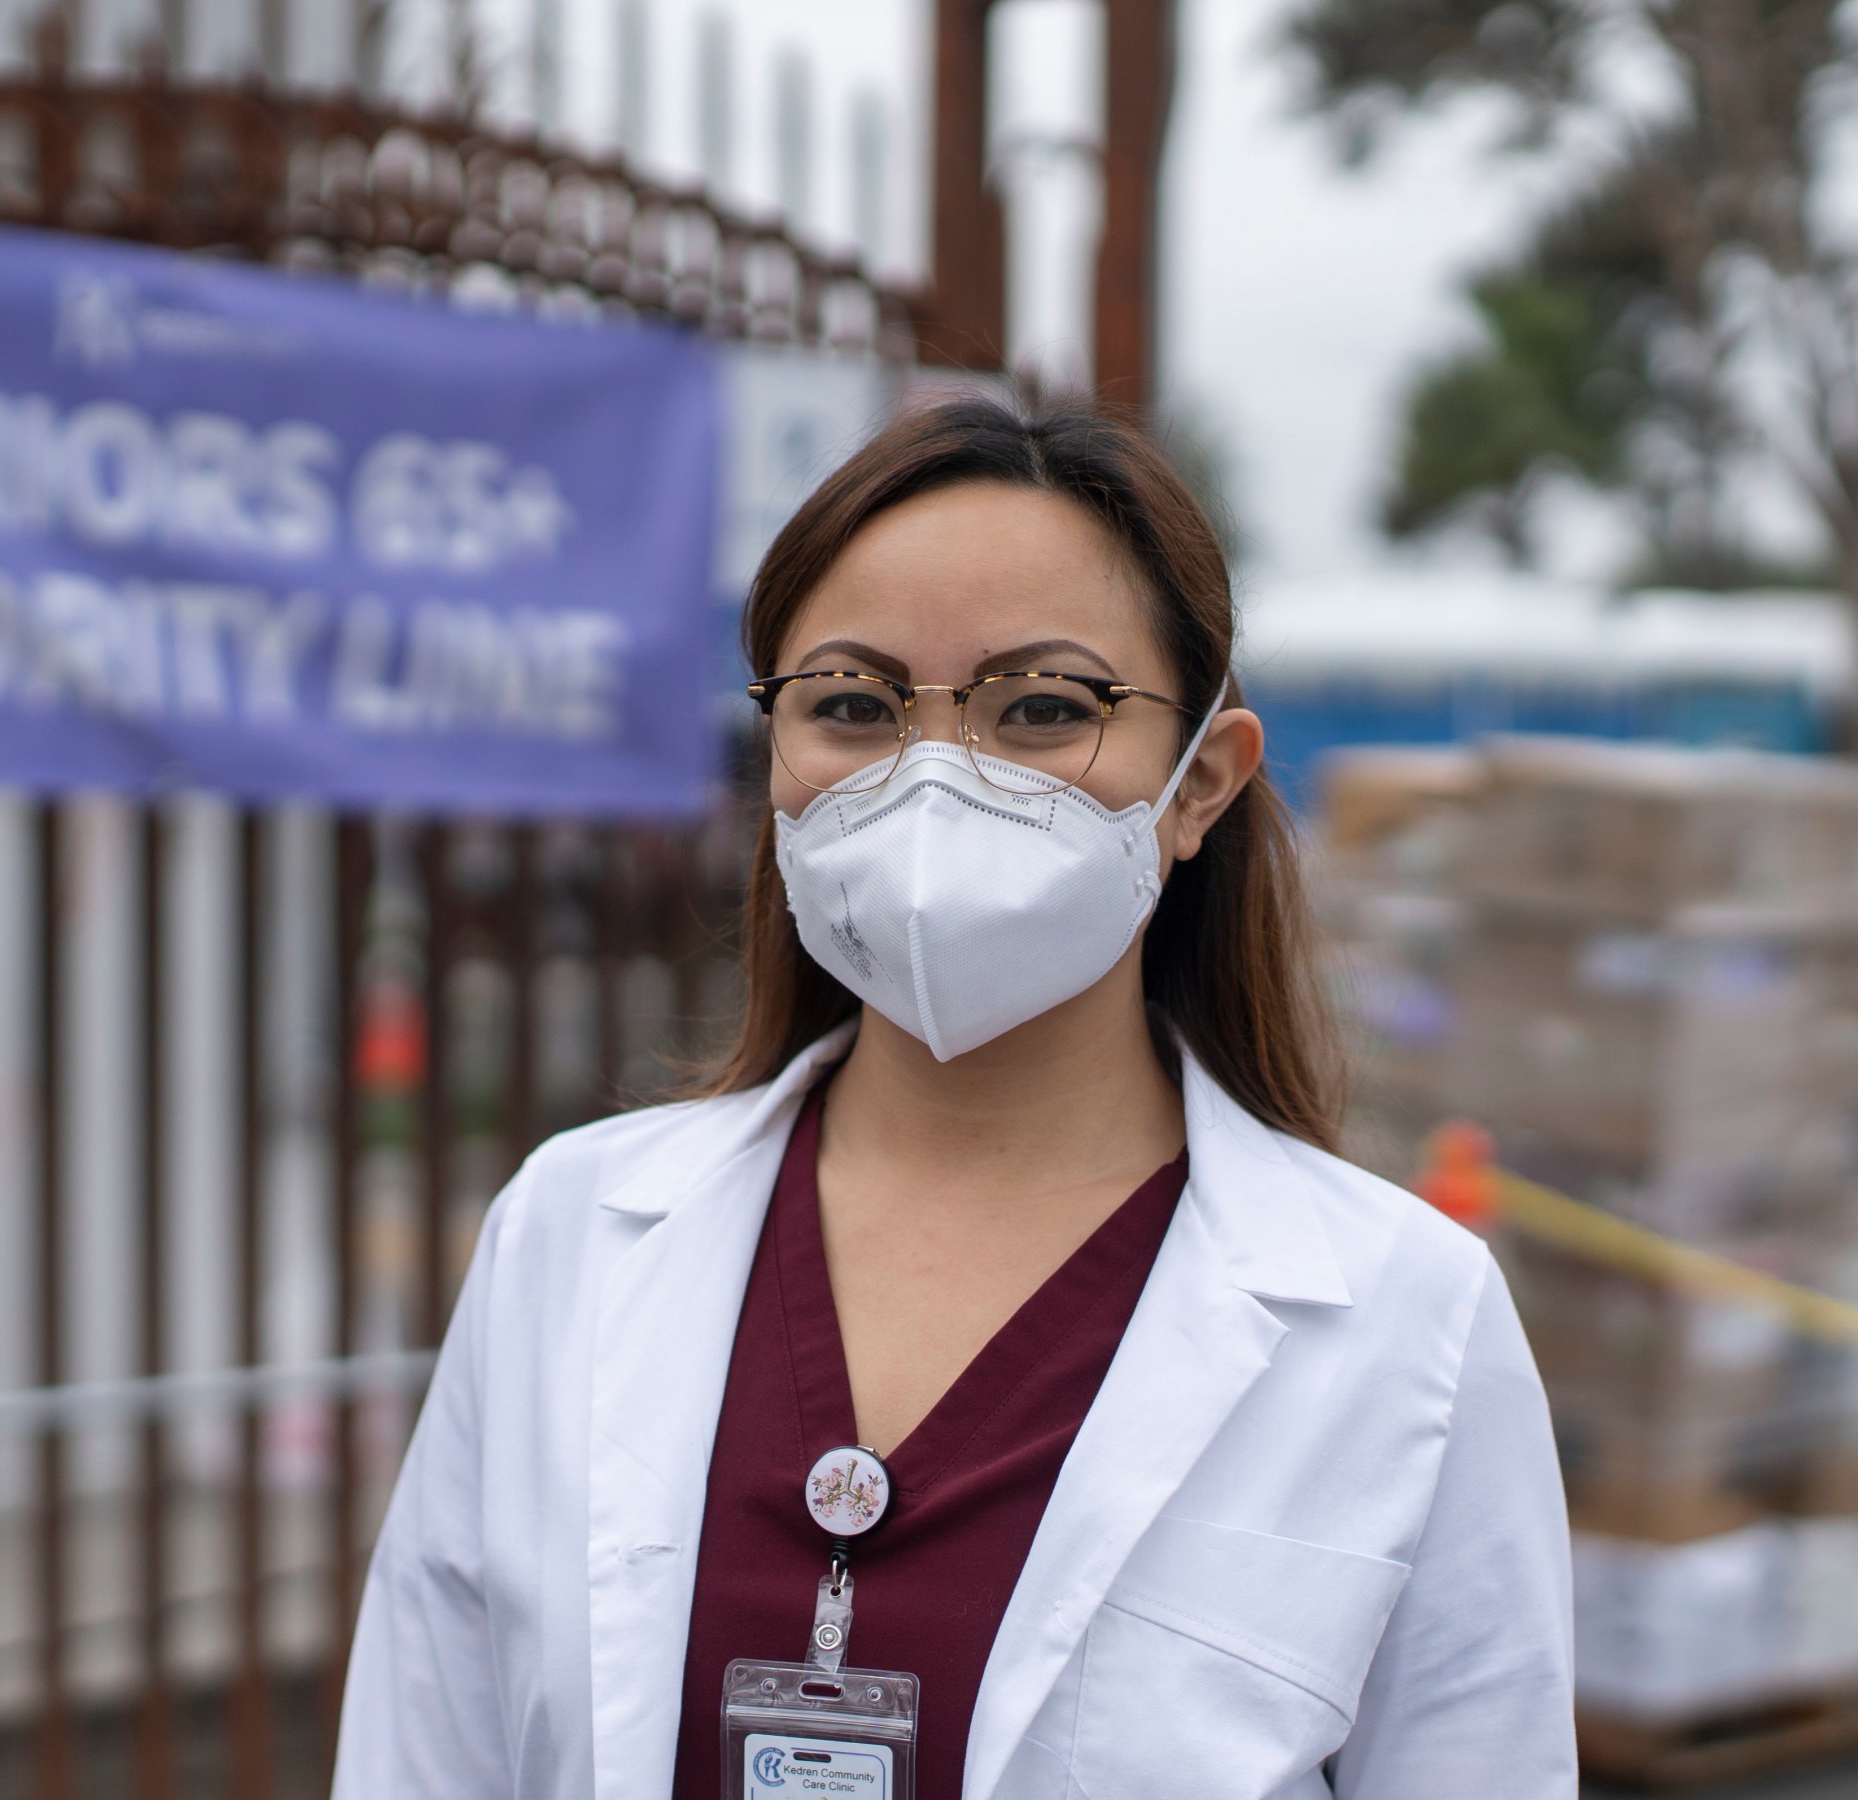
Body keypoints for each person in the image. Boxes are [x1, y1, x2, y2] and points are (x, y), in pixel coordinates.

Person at [331, 398, 1574, 1800]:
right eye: (853, 707)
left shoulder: (1410, 1320)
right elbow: (422, 1757)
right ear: (775, 764)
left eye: (1043, 708)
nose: (934, 781)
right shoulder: (569, 1234)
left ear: (1201, 785)